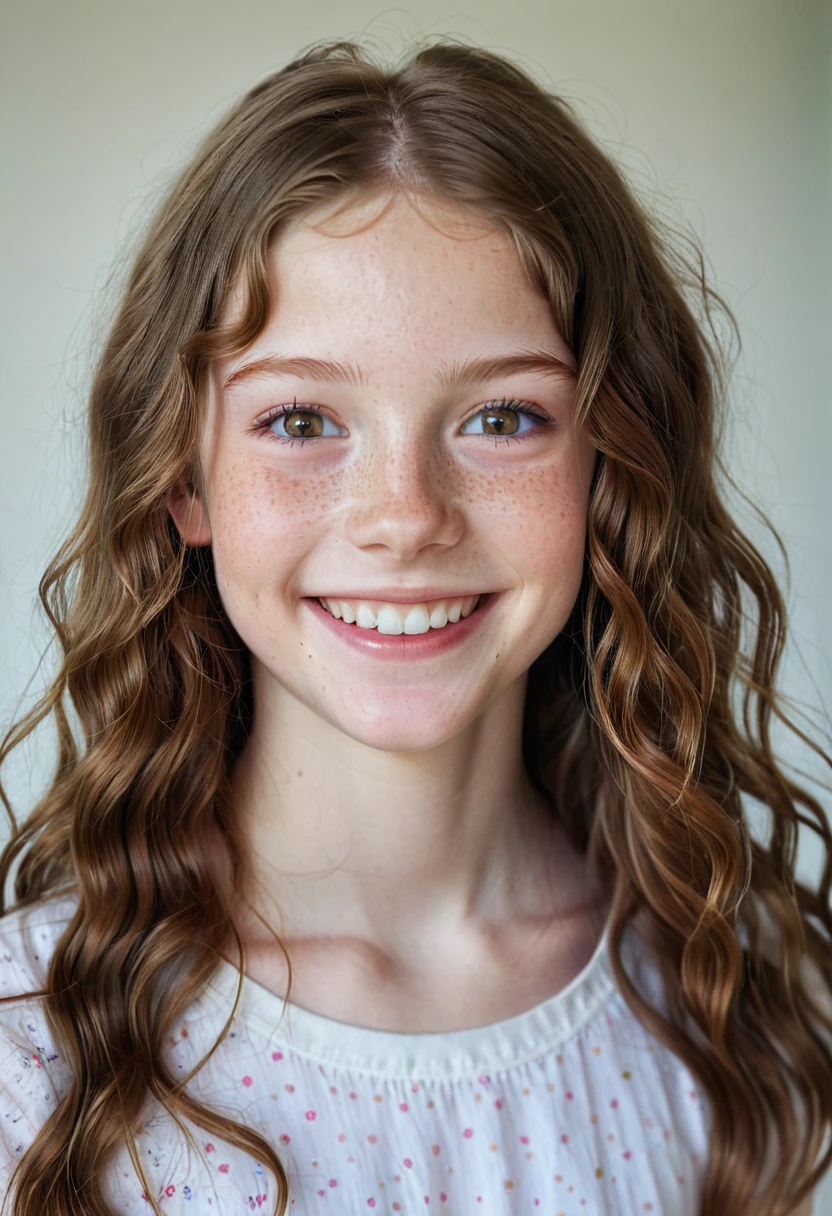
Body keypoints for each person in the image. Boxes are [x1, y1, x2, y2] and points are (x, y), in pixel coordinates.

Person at [0, 35, 829, 1216]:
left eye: (500, 417)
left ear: (614, 465)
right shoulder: (30, 1054)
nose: (404, 516)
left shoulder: (729, 1004)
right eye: (299, 420)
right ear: (179, 478)